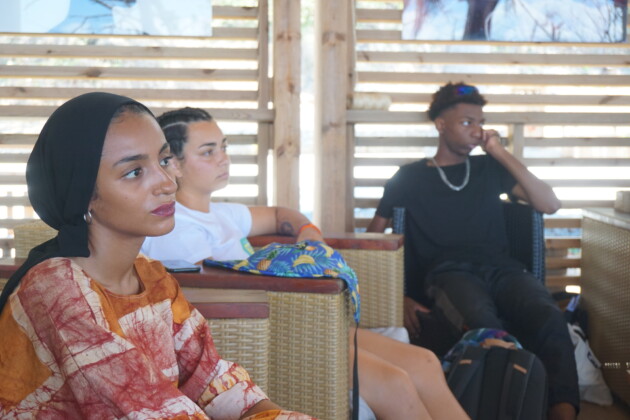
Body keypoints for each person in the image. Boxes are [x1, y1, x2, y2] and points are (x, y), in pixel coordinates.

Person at [141, 107, 470, 420]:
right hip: (270, 335)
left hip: (300, 321)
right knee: (395, 383)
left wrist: (309, 233)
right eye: (208, 151)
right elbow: (203, 301)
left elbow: (280, 214)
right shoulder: (175, 229)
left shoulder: (222, 213)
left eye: (224, 147)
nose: (223, 158)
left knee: (425, 362)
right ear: (173, 163)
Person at [0, 92, 314, 419]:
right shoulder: (58, 292)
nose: (167, 183)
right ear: (82, 192)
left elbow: (212, 380)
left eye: (164, 161)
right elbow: (151, 411)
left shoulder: (151, 276)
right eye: (134, 172)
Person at [366, 82, 579, 420]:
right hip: (447, 274)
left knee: (549, 316)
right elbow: (372, 243)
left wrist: (499, 152)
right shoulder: (408, 177)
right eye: (467, 122)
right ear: (441, 125)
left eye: (480, 122)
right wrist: (397, 296)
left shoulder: (489, 168)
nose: (477, 130)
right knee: (484, 324)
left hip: (504, 270)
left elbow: (549, 203)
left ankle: (562, 413)